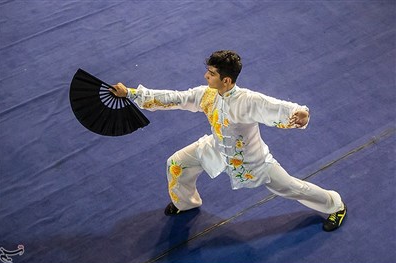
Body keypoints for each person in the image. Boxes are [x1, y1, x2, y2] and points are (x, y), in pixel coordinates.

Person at [110, 50, 347, 232]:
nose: (206, 76)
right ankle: (186, 203)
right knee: (177, 163)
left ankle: (334, 204)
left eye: (211, 73)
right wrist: (131, 93)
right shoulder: (207, 94)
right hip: (215, 148)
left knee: (292, 188)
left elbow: (277, 107)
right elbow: (175, 97)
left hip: (251, 162)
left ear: (227, 80)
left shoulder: (248, 100)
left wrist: (300, 113)